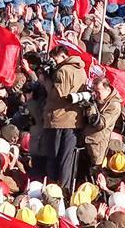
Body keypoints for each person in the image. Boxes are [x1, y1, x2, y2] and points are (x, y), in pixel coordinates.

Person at [40, 41, 90, 191]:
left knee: (54, 157)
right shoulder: (81, 69)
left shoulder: (62, 71)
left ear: (62, 56)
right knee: (67, 159)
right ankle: (65, 189)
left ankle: (54, 188)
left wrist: (45, 81)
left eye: (55, 59)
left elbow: (57, 95)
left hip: (58, 119)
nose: (54, 62)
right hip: (74, 120)